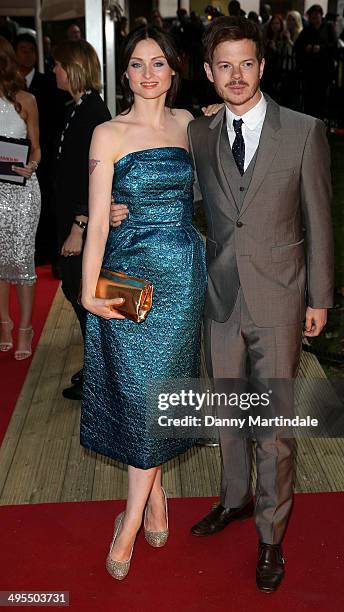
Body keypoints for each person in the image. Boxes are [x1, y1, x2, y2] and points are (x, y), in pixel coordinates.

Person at [112, 15, 333, 593]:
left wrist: (321, 297)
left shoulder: (305, 131)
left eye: (247, 63)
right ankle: (233, 499)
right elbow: (167, 192)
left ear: (263, 65)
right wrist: (119, 209)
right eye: (225, 65)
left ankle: (270, 535)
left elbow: (320, 219)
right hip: (219, 296)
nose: (237, 75)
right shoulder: (200, 134)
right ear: (209, 73)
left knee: (274, 427)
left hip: (282, 298)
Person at [80, 26, 207, 580]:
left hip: (180, 281)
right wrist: (87, 290)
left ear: (174, 70)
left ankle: (130, 520)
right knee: (138, 398)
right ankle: (151, 502)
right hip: (127, 283)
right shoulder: (107, 134)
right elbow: (97, 229)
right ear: (124, 72)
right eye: (137, 64)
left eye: (159, 63)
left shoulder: (191, 124)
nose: (149, 73)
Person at [52, 40, 111, 399]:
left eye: (58, 64)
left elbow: (95, 179)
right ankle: (96, 370)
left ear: (73, 67)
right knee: (73, 290)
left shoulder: (93, 113)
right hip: (72, 218)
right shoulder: (78, 108)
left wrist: (80, 226)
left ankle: (100, 375)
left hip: (83, 224)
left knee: (80, 292)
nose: (54, 71)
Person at [0, 36, 41, 359]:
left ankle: (25, 329)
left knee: (23, 261)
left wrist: (32, 165)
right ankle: (5, 324)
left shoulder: (25, 99)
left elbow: (36, 147)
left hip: (23, 190)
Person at [14, 33, 64, 270]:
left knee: (45, 206)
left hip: (41, 155)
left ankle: (45, 252)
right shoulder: (7, 87)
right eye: (22, 49)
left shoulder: (47, 83)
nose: (27, 54)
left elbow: (55, 121)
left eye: (30, 50)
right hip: (11, 157)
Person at [295, 4, 338, 118]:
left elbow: (334, 45)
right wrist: (306, 47)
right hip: (309, 69)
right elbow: (298, 45)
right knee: (309, 97)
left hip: (324, 69)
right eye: (312, 16)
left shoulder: (328, 27)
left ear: (321, 15)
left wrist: (321, 48)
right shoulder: (307, 29)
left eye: (316, 16)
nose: (314, 19)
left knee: (322, 97)